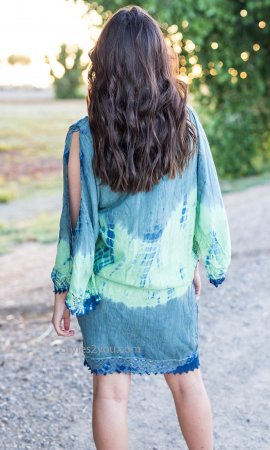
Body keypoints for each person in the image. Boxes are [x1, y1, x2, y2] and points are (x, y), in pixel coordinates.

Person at [51, 5, 231, 450]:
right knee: (187, 382)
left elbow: (76, 227)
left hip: (107, 292)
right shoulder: (186, 127)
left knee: (111, 393)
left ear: (104, 65)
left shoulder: (82, 138)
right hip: (167, 287)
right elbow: (201, 201)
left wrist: (63, 293)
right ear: (158, 62)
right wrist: (194, 261)